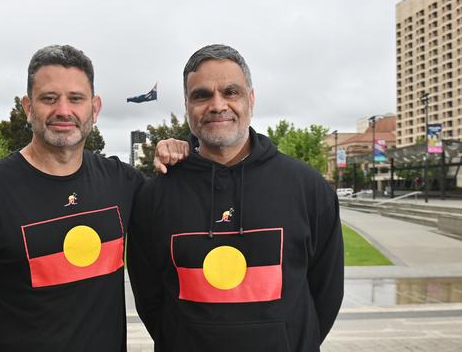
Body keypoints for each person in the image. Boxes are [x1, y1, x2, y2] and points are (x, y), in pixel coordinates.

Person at [0, 44, 188, 351]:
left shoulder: (122, 182)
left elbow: (183, 210)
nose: (63, 110)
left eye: (76, 99)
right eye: (49, 98)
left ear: (94, 109)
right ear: (28, 107)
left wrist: (180, 151)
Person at [128, 44, 344, 352]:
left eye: (231, 92)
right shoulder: (154, 196)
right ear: (187, 105)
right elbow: (149, 297)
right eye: (202, 95)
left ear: (250, 99)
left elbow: (327, 292)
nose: (217, 105)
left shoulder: (307, 188)